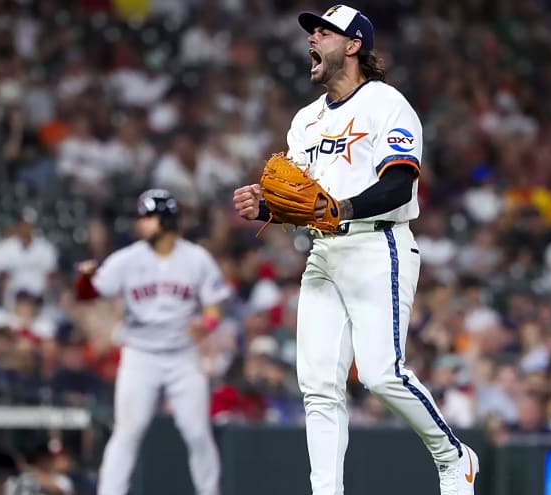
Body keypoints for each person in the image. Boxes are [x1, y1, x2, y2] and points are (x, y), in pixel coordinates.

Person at [231, 5, 478, 495]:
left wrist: (337, 208)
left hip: (378, 245)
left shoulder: (387, 105)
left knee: (383, 375)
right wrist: (266, 207)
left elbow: (400, 188)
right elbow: (304, 203)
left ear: (353, 45)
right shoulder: (306, 121)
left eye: (323, 32)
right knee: (318, 386)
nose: (312, 39)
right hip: (325, 254)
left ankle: (454, 457)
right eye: (311, 32)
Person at [75, 189, 229, 495]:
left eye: (147, 217)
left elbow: (214, 305)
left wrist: (207, 324)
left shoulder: (196, 259)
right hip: (140, 355)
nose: (140, 224)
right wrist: (84, 278)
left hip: (183, 356)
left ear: (166, 221)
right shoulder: (128, 259)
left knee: (198, 432)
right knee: (128, 431)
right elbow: (88, 294)